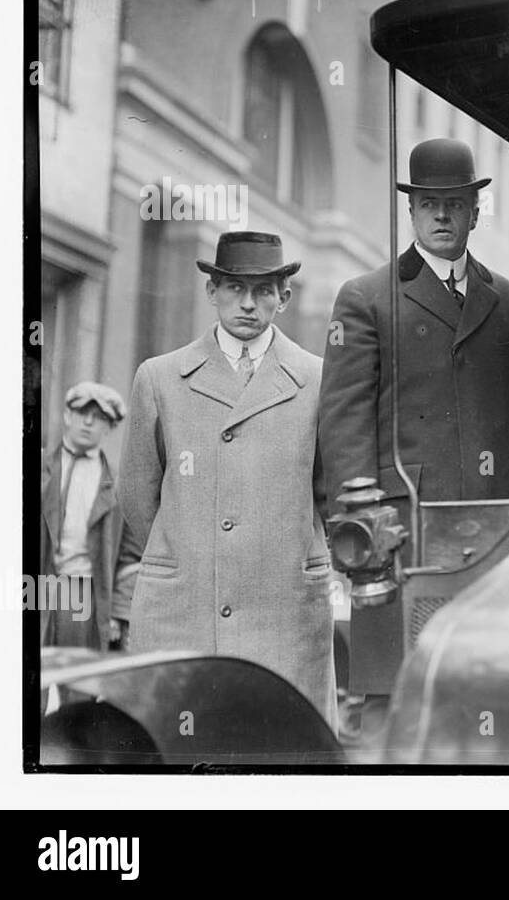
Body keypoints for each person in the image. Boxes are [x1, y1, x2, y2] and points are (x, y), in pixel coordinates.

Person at [318, 137, 509, 696]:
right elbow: (343, 422)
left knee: (493, 684)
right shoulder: (367, 298)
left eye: (456, 202)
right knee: (393, 694)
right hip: (402, 534)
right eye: (428, 203)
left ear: (475, 212)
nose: (442, 214)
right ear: (411, 211)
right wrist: (359, 531)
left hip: (495, 529)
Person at [117, 231, 335, 725]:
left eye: (263, 291)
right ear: (211, 291)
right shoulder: (160, 377)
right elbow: (137, 496)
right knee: (180, 755)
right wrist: (191, 547)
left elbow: (329, 490)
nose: (248, 304)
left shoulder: (318, 379)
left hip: (284, 611)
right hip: (184, 608)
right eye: (235, 288)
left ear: (285, 297)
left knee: (282, 753)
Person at [40, 382, 140, 652]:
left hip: (83, 593)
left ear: (109, 427)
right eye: (81, 412)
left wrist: (118, 611)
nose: (87, 422)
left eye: (98, 418)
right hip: (35, 589)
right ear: (66, 416)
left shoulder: (120, 485)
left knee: (78, 683)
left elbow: (131, 555)